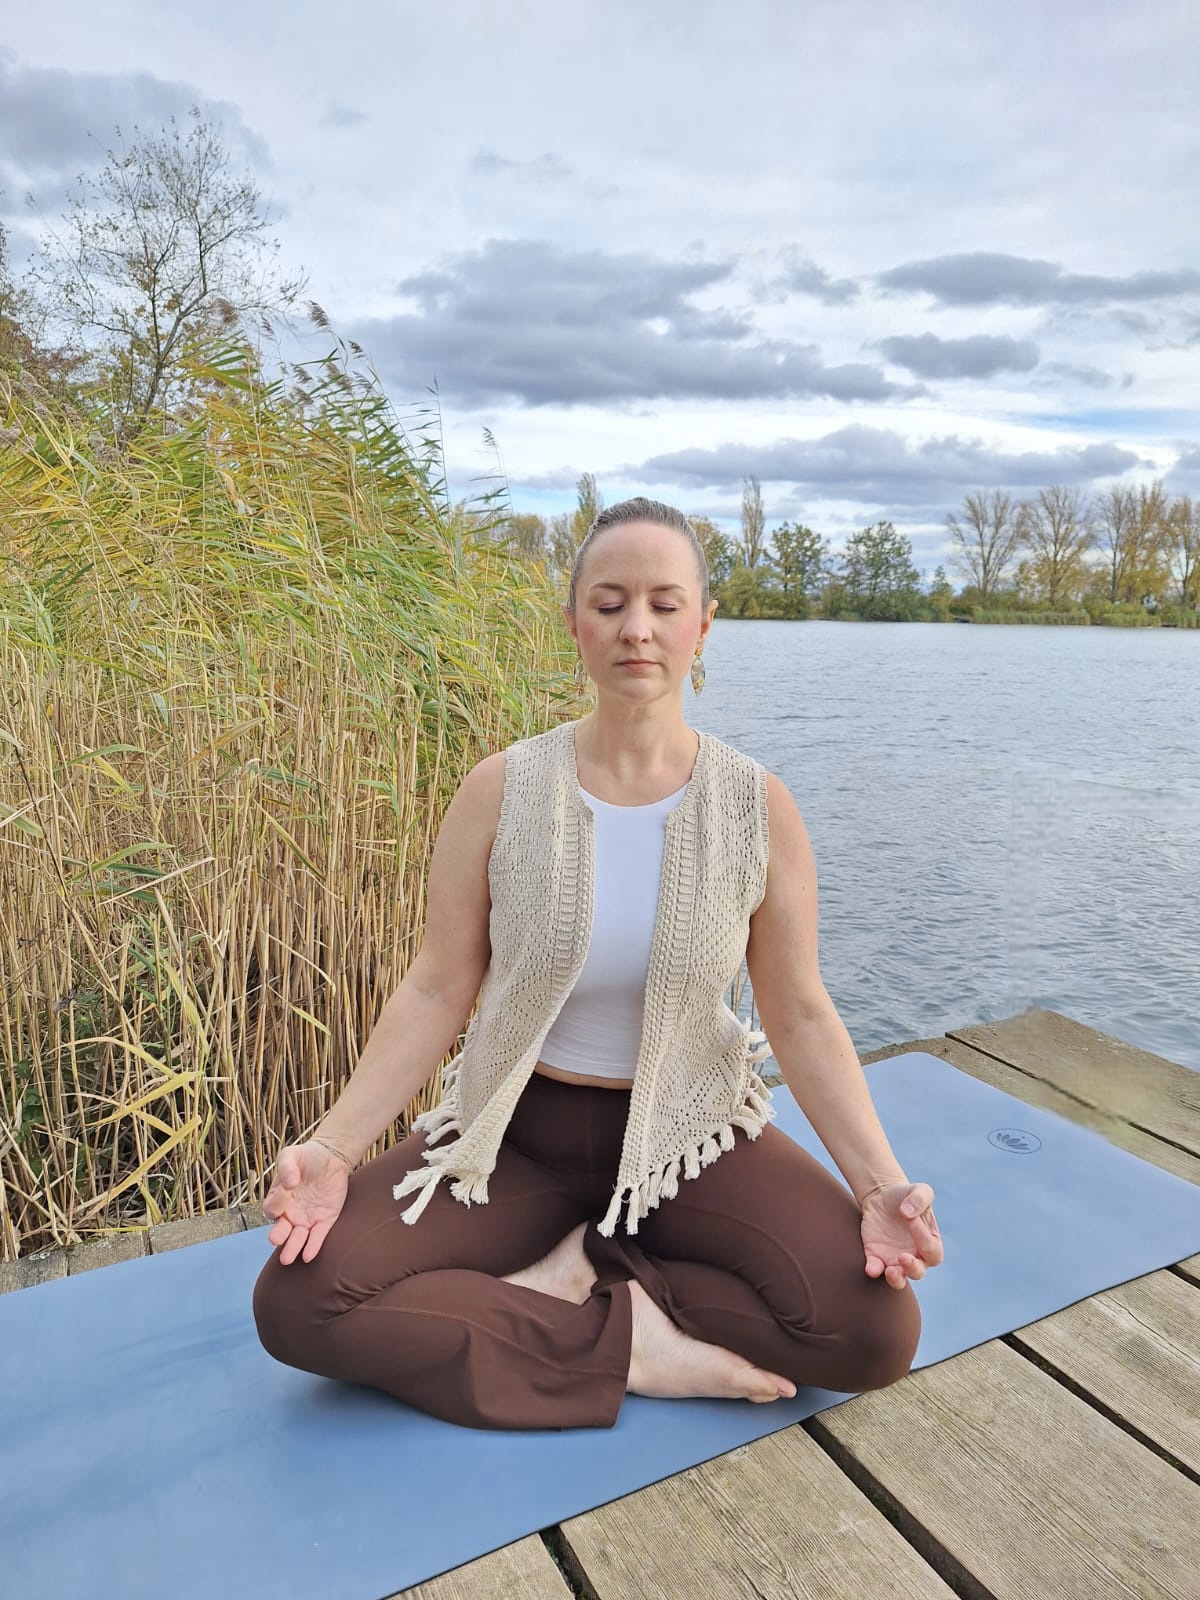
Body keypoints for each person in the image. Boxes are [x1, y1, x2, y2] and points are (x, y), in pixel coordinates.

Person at [252, 496, 943, 1431]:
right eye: (610, 602)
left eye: (665, 604)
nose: (638, 629)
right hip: (518, 1132)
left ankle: (592, 1278)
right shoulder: (501, 789)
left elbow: (801, 1011)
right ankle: (631, 1345)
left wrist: (878, 1186)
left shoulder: (756, 806)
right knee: (298, 1304)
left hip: (691, 1137)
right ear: (575, 622)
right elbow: (436, 985)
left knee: (875, 1335)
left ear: (704, 625)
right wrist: (332, 1150)